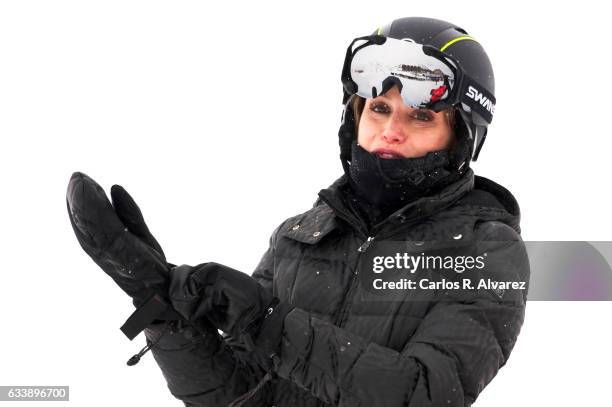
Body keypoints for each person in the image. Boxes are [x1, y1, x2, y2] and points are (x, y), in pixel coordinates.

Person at [66, 17, 529, 407]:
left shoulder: (486, 251)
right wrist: (162, 311)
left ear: (464, 138)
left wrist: (266, 320)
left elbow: (423, 394)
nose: (390, 130)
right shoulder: (300, 237)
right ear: (353, 118)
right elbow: (238, 394)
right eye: (378, 108)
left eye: (420, 116)